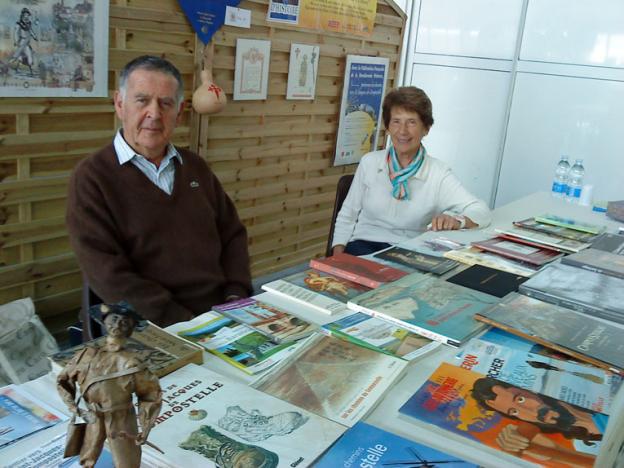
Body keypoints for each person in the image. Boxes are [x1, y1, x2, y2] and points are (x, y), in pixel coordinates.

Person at [66, 55, 252, 327]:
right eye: (142, 100)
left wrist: (236, 294)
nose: (154, 114)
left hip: (220, 313)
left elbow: (232, 234)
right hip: (149, 323)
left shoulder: (195, 167)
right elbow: (107, 273)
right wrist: (183, 323)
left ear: (179, 111)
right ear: (120, 103)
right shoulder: (92, 178)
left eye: (165, 103)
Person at [332, 86, 491, 256]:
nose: (403, 131)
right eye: (396, 121)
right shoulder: (369, 162)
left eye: (412, 122)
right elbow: (347, 215)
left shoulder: (438, 172)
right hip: (362, 246)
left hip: (409, 251)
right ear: (387, 126)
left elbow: (480, 211)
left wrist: (457, 220)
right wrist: (337, 257)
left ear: (426, 128)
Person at [57, 302, 162, 468]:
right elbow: (63, 380)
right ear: (104, 322)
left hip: (122, 418)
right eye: (114, 319)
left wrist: (146, 426)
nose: (118, 324)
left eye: (125, 321)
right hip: (93, 415)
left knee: (127, 461)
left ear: (132, 327)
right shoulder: (86, 355)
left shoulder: (133, 362)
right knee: (87, 458)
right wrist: (76, 410)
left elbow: (150, 395)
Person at [471, 377, 605, 465]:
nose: (531, 412)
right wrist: (536, 449)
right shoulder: (587, 446)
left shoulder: (590, 390)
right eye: (515, 412)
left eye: (520, 399)